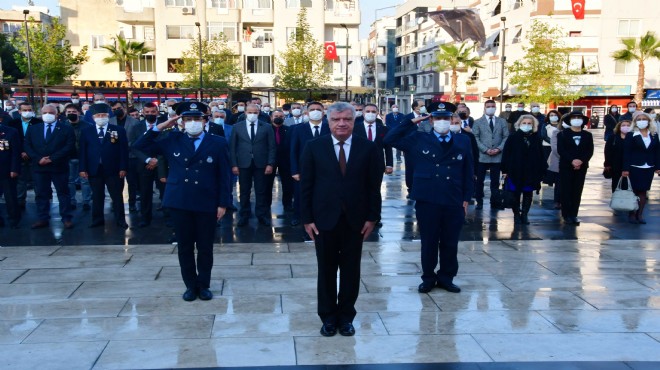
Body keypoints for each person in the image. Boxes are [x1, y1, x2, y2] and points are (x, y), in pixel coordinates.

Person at [133, 101, 232, 301]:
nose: (193, 122)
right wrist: (161, 126)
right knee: (185, 246)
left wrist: (223, 203)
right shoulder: (172, 139)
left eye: (197, 119)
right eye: (188, 119)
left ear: (205, 120)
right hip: (180, 200)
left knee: (205, 247)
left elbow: (225, 175)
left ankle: (203, 285)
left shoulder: (218, 142)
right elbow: (138, 146)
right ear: (181, 122)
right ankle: (190, 285)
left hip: (207, 201)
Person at [301, 102, 383, 337]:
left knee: (350, 271)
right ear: (328, 122)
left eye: (347, 119)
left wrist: (372, 218)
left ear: (354, 120)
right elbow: (306, 186)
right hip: (323, 220)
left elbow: (373, 186)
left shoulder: (367, 148)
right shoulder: (314, 147)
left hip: (355, 221)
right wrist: (306, 218)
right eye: (336, 119)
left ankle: (346, 317)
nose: (342, 123)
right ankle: (327, 317)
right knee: (325, 271)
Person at [384, 105, 474, 294]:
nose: (442, 122)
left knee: (450, 242)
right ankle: (428, 278)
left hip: (453, 198)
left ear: (451, 120)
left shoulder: (463, 140)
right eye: (438, 118)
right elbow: (389, 139)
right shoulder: (419, 138)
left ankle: (447, 277)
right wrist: (411, 122)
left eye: (446, 118)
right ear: (431, 120)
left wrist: (466, 198)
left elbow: (468, 171)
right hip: (428, 197)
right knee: (429, 241)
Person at [24, 104, 76, 229]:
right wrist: (38, 159)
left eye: (51, 112)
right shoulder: (33, 129)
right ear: (41, 114)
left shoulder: (66, 129)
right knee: (41, 193)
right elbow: (27, 145)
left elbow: (69, 146)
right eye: (45, 112)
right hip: (39, 166)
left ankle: (66, 218)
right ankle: (43, 218)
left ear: (56, 114)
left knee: (63, 193)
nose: (47, 115)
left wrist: (51, 158)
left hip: (58, 166)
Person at [79, 103, 129, 229]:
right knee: (97, 196)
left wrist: (123, 167)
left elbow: (123, 150)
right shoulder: (86, 131)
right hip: (94, 169)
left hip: (114, 169)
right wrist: (83, 168)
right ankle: (97, 219)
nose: (101, 117)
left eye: (104, 115)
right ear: (93, 117)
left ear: (108, 116)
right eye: (98, 115)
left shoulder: (117, 130)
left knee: (117, 196)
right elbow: (83, 151)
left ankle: (120, 220)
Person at [229, 103, 276, 226]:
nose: (252, 115)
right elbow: (232, 147)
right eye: (250, 112)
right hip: (243, 164)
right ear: (245, 113)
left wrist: (270, 164)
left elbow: (272, 147)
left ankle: (261, 215)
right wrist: (234, 164)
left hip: (261, 163)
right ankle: (244, 215)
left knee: (261, 191)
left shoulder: (266, 127)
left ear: (259, 113)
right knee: (244, 191)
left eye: (255, 112)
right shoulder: (237, 127)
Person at [289, 101, 330, 227]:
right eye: (312, 109)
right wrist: (294, 170)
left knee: (324, 194)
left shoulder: (330, 128)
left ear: (323, 112)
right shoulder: (299, 129)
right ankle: (298, 216)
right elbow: (293, 151)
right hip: (303, 169)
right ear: (307, 112)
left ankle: (322, 216)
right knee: (301, 194)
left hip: (325, 169)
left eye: (318, 109)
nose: (315, 111)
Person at [501, 115, 547, 225]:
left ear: (533, 125)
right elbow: (506, 154)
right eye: (524, 123)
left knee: (528, 193)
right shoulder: (513, 137)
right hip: (515, 170)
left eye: (529, 123)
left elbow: (541, 155)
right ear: (519, 124)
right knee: (515, 194)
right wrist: (504, 170)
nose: (527, 125)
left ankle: (525, 214)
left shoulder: (536, 138)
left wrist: (542, 170)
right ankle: (516, 215)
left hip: (531, 171)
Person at [621, 113, 660, 224]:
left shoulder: (654, 135)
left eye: (644, 119)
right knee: (634, 191)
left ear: (649, 121)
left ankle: (640, 214)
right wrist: (625, 169)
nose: (642, 121)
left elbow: (657, 152)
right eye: (639, 119)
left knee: (643, 191)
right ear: (635, 122)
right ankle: (632, 214)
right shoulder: (631, 134)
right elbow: (626, 153)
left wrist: (658, 167)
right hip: (634, 166)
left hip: (648, 167)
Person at [557, 111, 594, 225]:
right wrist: (572, 160)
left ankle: (574, 214)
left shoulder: (587, 135)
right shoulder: (562, 134)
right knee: (566, 190)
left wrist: (581, 161)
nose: (577, 119)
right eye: (574, 117)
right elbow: (561, 150)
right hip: (566, 165)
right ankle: (566, 214)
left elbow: (589, 151)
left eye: (579, 117)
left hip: (581, 166)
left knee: (577, 191)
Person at [472, 100, 509, 210]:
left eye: (493, 106)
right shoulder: (478, 122)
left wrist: (499, 148)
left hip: (497, 156)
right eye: (488, 106)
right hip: (482, 156)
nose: (491, 108)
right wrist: (485, 149)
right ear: (484, 107)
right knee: (480, 181)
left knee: (495, 181)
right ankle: (479, 201)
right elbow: (475, 137)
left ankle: (495, 201)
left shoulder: (502, 121)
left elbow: (506, 136)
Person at [9, 102, 43, 210]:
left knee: (37, 180)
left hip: (34, 156)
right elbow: (12, 140)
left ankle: (40, 201)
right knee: (20, 181)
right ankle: (20, 201)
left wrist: (29, 152)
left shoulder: (38, 122)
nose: (27, 112)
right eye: (25, 110)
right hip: (19, 156)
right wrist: (21, 151)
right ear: (19, 111)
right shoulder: (12, 123)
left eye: (29, 110)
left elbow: (40, 141)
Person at [63, 104, 92, 211]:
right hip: (68, 157)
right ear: (65, 113)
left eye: (74, 112)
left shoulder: (88, 125)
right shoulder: (62, 125)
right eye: (69, 112)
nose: (71, 114)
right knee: (70, 181)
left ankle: (86, 202)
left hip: (83, 157)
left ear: (79, 113)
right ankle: (71, 201)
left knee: (85, 180)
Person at [265, 109, 293, 212]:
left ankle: (288, 204)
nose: (278, 118)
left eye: (281, 116)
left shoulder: (289, 129)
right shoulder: (266, 129)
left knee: (287, 184)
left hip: (285, 160)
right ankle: (266, 205)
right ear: (271, 117)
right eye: (276, 116)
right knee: (267, 184)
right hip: (269, 160)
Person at [353, 103, 392, 175]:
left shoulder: (383, 129)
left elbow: (388, 148)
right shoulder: (355, 129)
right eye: (367, 111)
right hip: (359, 165)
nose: (370, 113)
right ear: (363, 113)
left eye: (373, 112)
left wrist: (389, 165)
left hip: (378, 165)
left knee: (376, 186)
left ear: (377, 113)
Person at [0, 123, 21, 228]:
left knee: (10, 197)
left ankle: (14, 219)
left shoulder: (11, 131)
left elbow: (15, 152)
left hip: (6, 170)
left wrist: (14, 169)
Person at [604, 119, 632, 194]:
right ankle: (616, 200)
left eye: (628, 125)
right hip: (615, 165)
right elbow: (607, 151)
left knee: (628, 185)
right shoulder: (613, 138)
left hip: (630, 165)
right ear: (619, 127)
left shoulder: (633, 138)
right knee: (616, 184)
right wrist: (607, 164)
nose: (626, 127)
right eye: (623, 125)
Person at [547, 117, 565, 210]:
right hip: (560, 161)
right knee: (559, 183)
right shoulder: (557, 133)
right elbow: (555, 148)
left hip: (575, 162)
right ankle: (557, 201)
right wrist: (567, 158)